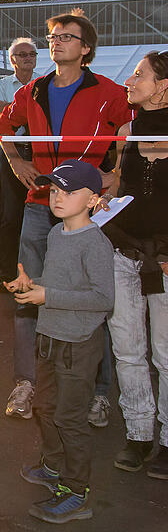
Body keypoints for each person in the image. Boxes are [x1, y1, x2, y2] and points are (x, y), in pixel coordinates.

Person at [0, 9, 131, 421]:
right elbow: (1, 128)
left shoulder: (109, 91)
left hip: (87, 212)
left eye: (67, 37)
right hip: (39, 206)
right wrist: (17, 162)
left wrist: (116, 175)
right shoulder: (32, 91)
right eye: (52, 36)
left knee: (92, 299)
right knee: (27, 293)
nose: (56, 42)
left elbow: (128, 130)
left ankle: (99, 392)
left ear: (86, 48)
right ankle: (26, 382)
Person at [9, 160, 114, 524]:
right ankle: (54, 467)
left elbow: (102, 298)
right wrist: (31, 283)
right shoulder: (56, 234)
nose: (58, 197)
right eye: (54, 190)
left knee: (70, 418)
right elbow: (56, 283)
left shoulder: (96, 243)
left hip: (78, 342)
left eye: (68, 192)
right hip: (50, 336)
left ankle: (76, 491)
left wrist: (47, 296)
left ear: (92, 200)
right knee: (47, 407)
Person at [102, 51, 168, 479]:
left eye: (140, 75)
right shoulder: (128, 130)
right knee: (128, 350)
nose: (131, 79)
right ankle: (139, 433)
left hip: (165, 261)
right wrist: (102, 202)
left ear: (163, 86)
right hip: (123, 250)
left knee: (167, 353)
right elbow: (122, 187)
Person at [0, 39, 39, 291]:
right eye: (23, 54)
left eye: (32, 54)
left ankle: (36, 274)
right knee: (11, 216)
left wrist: (15, 112)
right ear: (12, 60)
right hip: (12, 152)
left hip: (41, 153)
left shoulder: (45, 82)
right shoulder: (1, 84)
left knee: (43, 214)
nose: (28, 58)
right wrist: (29, 114)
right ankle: (6, 274)